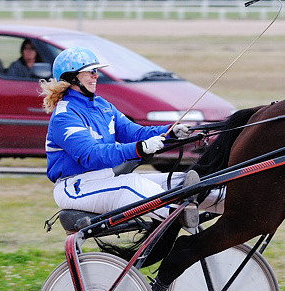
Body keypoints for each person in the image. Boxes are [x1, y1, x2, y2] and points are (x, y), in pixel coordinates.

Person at [41, 46, 195, 219]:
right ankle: (177, 215)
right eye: (90, 71)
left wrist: (170, 131)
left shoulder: (102, 106)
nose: (96, 75)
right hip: (75, 187)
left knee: (181, 180)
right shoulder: (65, 116)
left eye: (96, 71)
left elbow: (134, 133)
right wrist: (140, 148)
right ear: (71, 77)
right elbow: (91, 156)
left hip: (107, 179)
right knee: (131, 184)